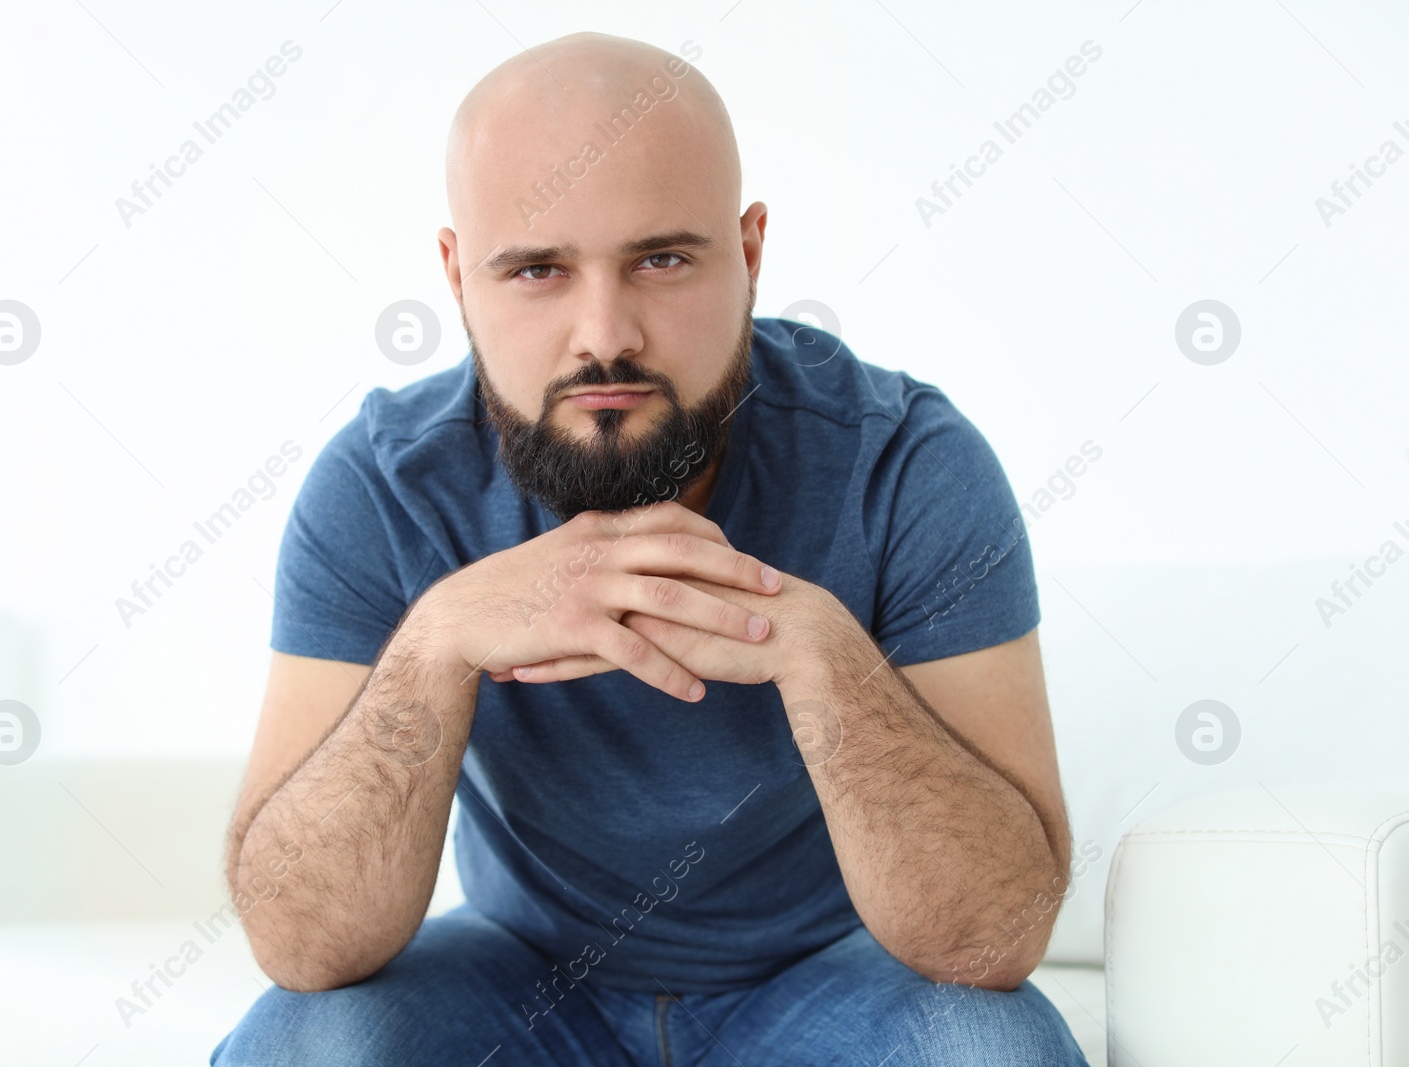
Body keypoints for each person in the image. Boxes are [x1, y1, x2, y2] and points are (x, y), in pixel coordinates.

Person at [210, 30, 1089, 1066]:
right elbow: (301, 941)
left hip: (835, 977)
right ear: (457, 276)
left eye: (662, 259)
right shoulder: (383, 485)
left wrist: (817, 649)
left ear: (750, 253)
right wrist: (437, 642)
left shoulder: (905, 463)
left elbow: (992, 933)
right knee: (309, 1042)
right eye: (536, 269)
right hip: (520, 976)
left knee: (986, 1048)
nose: (605, 335)